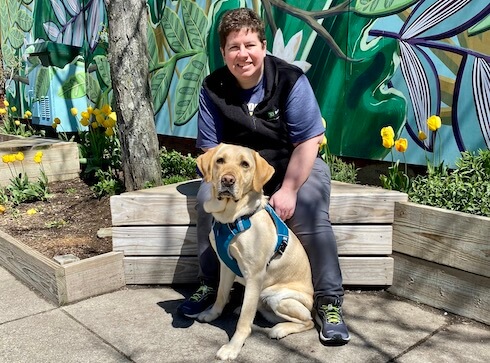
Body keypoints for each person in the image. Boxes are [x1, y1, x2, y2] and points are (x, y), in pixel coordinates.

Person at [177, 7, 350, 345]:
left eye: (250, 45)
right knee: (203, 201)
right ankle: (211, 285)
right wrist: (224, 185)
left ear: (264, 47)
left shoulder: (290, 80)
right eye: (234, 47)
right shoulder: (213, 88)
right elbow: (209, 151)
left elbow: (308, 142)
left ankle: (329, 302)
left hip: (293, 165)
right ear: (224, 52)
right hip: (240, 172)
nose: (243, 54)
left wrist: (288, 189)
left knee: (309, 209)